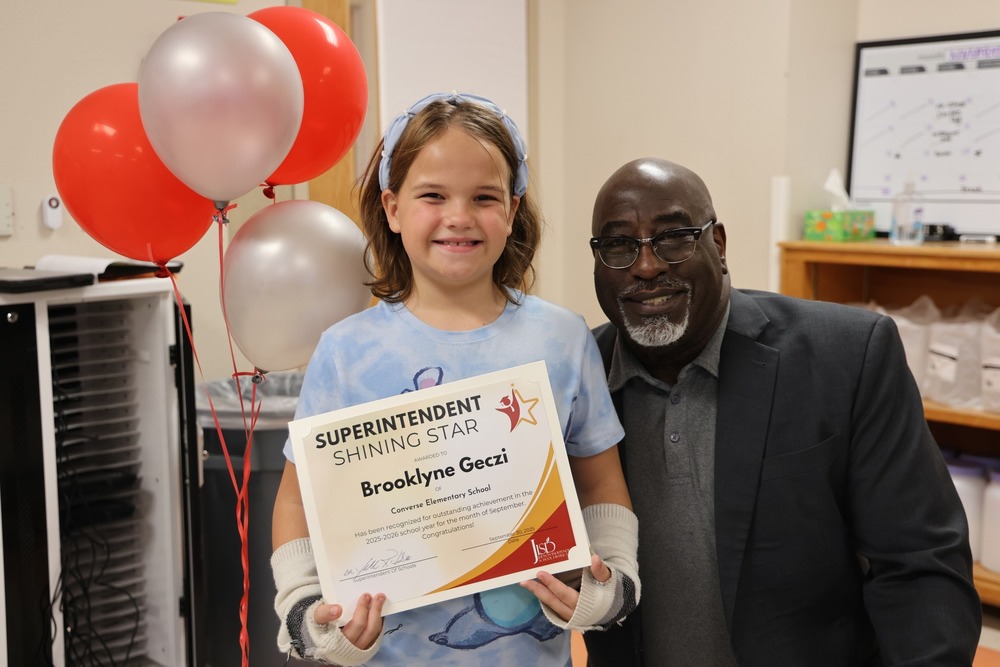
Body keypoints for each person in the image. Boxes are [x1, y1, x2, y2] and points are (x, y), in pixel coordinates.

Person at [269, 92, 640, 666]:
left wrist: (610, 585)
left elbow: (598, 481)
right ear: (392, 209)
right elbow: (298, 498)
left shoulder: (562, 339)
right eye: (433, 196)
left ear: (513, 211)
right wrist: (304, 608)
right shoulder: (347, 351)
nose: (459, 216)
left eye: (484, 197)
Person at [582, 157, 982, 666]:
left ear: (719, 245)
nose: (646, 265)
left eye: (674, 236)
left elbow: (921, 566)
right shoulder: (573, 382)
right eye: (618, 245)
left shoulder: (847, 357)